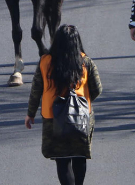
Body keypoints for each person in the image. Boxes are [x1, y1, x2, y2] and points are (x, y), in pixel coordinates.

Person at [26, 25, 103, 185]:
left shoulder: (45, 61)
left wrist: (30, 113)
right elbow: (97, 89)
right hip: (81, 117)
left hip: (53, 118)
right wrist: (83, 101)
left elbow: (36, 90)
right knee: (79, 156)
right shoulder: (86, 62)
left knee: (62, 160)